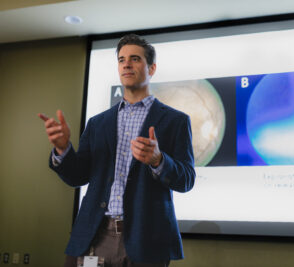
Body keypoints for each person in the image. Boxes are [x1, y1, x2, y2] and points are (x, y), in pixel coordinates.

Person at [38, 34, 196, 267]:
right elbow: (78, 176)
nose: (126, 64)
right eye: (121, 60)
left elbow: (187, 180)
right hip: (94, 235)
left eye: (135, 59)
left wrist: (158, 160)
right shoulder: (98, 123)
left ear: (151, 68)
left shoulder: (176, 121)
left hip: (146, 240)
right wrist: (63, 149)